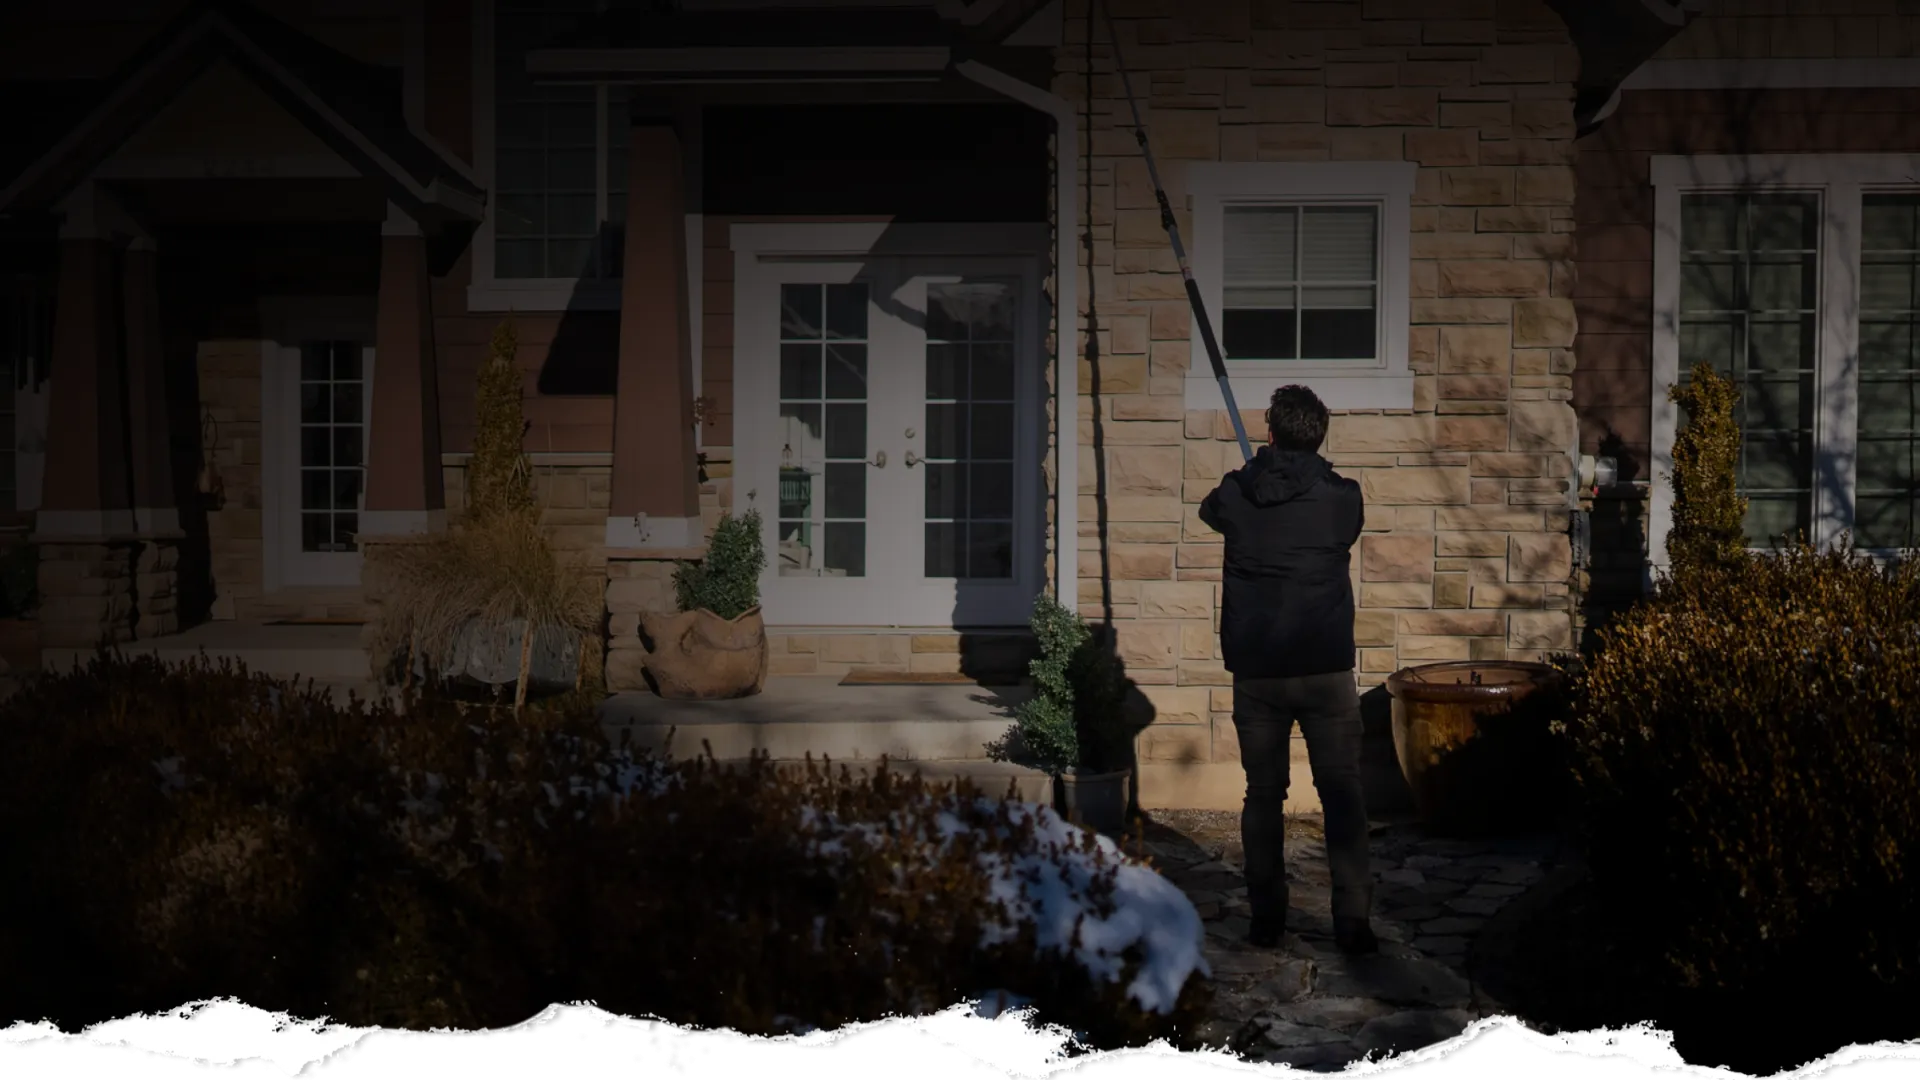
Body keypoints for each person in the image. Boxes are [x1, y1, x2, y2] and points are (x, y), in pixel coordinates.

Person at [1198, 384, 1377, 954]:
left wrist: (1254, 475)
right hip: (1325, 669)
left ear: (1270, 434)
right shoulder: (1342, 496)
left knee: (1263, 794)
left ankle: (1266, 921)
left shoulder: (1236, 491)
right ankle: (1353, 924)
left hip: (1259, 671)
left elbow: (1212, 512)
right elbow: (1343, 528)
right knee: (1343, 793)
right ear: (1320, 435)